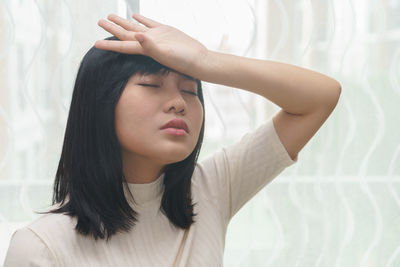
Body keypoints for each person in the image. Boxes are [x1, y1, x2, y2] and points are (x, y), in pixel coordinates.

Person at [3, 13, 341, 267]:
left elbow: (320, 98)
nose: (179, 102)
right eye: (151, 85)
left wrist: (207, 62)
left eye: (190, 90)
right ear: (100, 102)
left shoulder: (211, 190)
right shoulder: (40, 247)